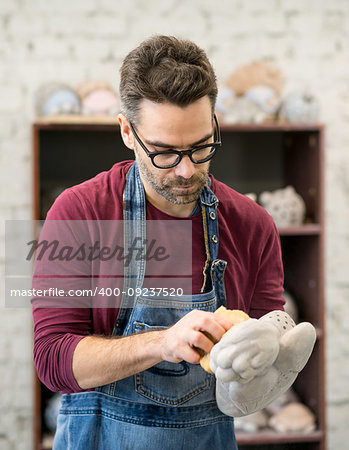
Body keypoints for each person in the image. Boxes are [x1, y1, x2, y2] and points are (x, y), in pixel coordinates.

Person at [32, 35, 316, 450]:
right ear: (128, 132)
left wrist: (263, 353)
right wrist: (161, 342)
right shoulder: (80, 213)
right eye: (164, 153)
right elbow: (53, 360)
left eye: (200, 146)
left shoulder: (253, 226)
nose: (185, 170)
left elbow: (260, 358)